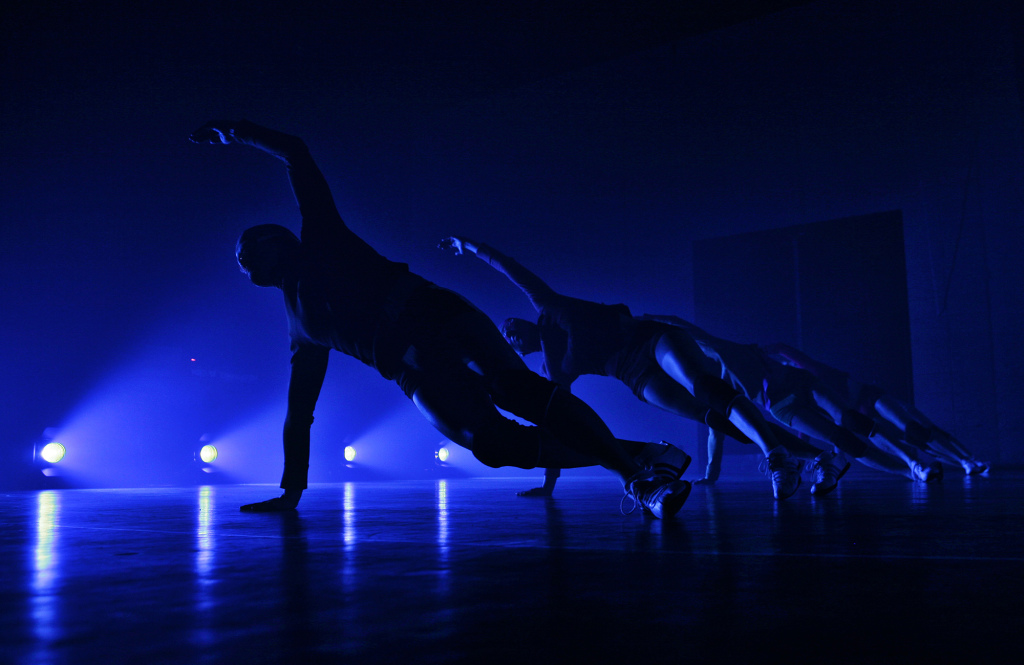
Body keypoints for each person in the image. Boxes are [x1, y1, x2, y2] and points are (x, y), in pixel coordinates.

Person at [189, 120, 689, 517]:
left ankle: (638, 480)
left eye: (246, 248)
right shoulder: (301, 328)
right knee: (490, 443)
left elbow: (296, 152)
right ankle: (645, 455)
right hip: (411, 369)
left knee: (513, 388)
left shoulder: (323, 238)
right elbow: (300, 410)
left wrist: (235, 132)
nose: (240, 260)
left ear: (276, 243)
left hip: (436, 316)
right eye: (238, 258)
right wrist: (291, 490)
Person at [438, 236, 804, 499]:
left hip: (649, 340)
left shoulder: (547, 306)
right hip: (634, 375)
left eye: (511, 324)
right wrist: (548, 485)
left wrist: (468, 246)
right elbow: (562, 425)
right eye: (506, 335)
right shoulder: (554, 371)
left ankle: (776, 455)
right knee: (708, 415)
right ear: (514, 349)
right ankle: (814, 455)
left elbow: (510, 269)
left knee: (703, 386)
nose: (510, 330)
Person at [642, 315, 943, 483]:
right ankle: (909, 472)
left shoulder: (707, 345)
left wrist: (652, 322)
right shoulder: (702, 382)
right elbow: (716, 430)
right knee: (842, 439)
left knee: (851, 419)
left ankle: (913, 461)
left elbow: (681, 326)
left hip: (798, 381)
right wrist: (711, 474)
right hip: (781, 405)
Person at [764, 342, 988, 475]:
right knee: (909, 441)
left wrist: (758, 353)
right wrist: (804, 451)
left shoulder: (808, 369)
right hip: (858, 413)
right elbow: (804, 425)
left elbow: (784, 348)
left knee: (915, 430)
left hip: (868, 397)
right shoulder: (799, 392)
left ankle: (967, 459)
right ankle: (962, 464)